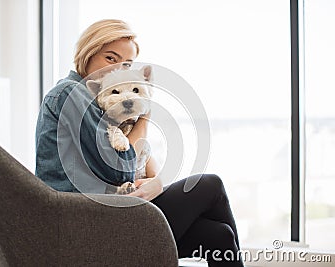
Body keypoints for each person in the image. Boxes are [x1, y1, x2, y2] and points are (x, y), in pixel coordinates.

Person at [35, 19, 244, 267]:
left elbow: (137, 162)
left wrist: (158, 182)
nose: (117, 70)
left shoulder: (99, 101)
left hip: (105, 214)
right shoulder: (73, 93)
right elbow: (119, 167)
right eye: (110, 59)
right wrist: (145, 118)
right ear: (87, 53)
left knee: (219, 235)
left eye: (126, 64)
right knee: (211, 185)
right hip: (87, 226)